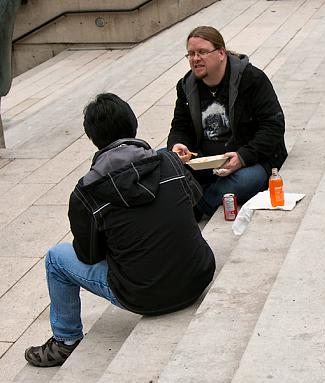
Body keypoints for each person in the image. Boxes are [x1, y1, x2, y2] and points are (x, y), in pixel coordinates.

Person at [24, 93, 215, 367]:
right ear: (133, 125)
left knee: (56, 258)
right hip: (199, 276)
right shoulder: (169, 162)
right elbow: (195, 200)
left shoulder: (85, 192)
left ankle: (65, 341)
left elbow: (88, 256)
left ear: (93, 138)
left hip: (142, 296)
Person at [167, 26, 287, 218]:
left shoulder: (251, 79)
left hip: (248, 160)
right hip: (204, 159)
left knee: (243, 181)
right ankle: (199, 197)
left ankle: (194, 208)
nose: (195, 59)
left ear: (221, 53)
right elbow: (180, 127)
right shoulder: (186, 86)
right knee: (161, 158)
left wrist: (242, 157)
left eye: (202, 52)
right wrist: (177, 145)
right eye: (191, 54)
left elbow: (273, 126)